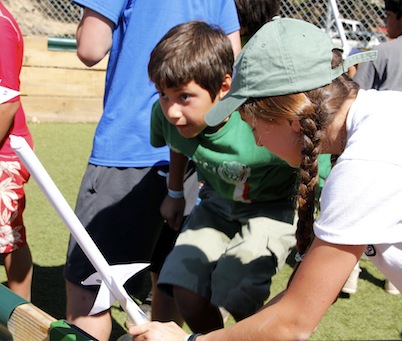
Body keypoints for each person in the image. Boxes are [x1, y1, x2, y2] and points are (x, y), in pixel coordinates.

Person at [129, 17, 402, 341]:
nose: (256, 141)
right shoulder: (383, 115)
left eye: (253, 125)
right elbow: (294, 307)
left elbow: (295, 322)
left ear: (289, 115)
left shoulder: (363, 165)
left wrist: (191, 340)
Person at [63, 1, 241, 340]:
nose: (172, 110)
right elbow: (233, 53)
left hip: (129, 148)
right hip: (196, 156)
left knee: (90, 294)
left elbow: (90, 47)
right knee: (169, 281)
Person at [147, 20, 298, 334]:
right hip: (215, 205)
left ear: (224, 86)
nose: (172, 110)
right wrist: (175, 193)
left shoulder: (262, 121)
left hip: (269, 208)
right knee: (185, 288)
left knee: (236, 287)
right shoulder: (166, 116)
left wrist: (311, 229)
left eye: (184, 96)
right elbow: (178, 145)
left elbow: (314, 162)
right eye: (163, 94)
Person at [344, 0, 402, 295]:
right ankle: (394, 279)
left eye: (388, 14)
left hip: (375, 150)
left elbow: (356, 98)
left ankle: (349, 274)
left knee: (361, 211)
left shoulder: (379, 53)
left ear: (397, 16)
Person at [0, 1, 33, 301]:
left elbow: (7, 102)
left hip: (5, 152)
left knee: (9, 239)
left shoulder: (1, 25)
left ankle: (20, 315)